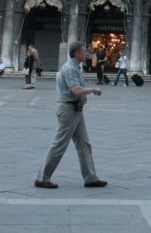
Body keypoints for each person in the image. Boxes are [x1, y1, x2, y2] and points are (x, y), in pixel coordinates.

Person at [34, 42, 108, 189]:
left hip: (75, 110)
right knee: (60, 144)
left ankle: (90, 177)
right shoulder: (70, 69)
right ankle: (42, 178)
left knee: (84, 143)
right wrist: (92, 90)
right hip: (69, 110)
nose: (86, 53)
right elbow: (75, 90)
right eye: (84, 51)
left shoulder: (74, 68)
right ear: (76, 54)